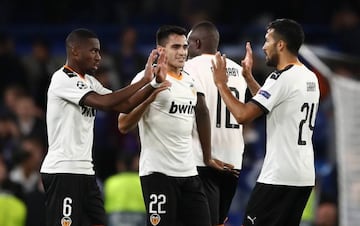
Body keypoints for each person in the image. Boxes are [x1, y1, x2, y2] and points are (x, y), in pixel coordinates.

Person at [40, 28, 170, 226]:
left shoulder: (89, 81)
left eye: (99, 52)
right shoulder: (62, 79)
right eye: (93, 51)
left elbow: (124, 106)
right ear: (75, 51)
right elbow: (105, 103)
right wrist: (144, 80)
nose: (99, 57)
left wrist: (153, 85)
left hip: (85, 171)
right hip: (63, 171)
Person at [211, 18, 320, 226]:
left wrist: (221, 84)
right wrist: (248, 78)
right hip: (303, 177)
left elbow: (243, 115)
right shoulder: (309, 76)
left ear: (281, 44)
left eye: (267, 40)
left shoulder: (281, 78)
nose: (263, 47)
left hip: (278, 176)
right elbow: (273, 104)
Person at [118, 25, 224, 226]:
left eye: (185, 46)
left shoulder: (190, 81)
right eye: (176, 47)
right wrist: (150, 96)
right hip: (158, 174)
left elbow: (202, 114)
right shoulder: (145, 78)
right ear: (160, 50)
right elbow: (123, 124)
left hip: (188, 172)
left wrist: (207, 156)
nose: (183, 52)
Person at [183, 21, 246, 226]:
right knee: (219, 222)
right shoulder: (238, 70)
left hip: (202, 158)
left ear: (198, 43)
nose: (185, 49)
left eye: (188, 44)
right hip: (233, 160)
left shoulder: (188, 68)